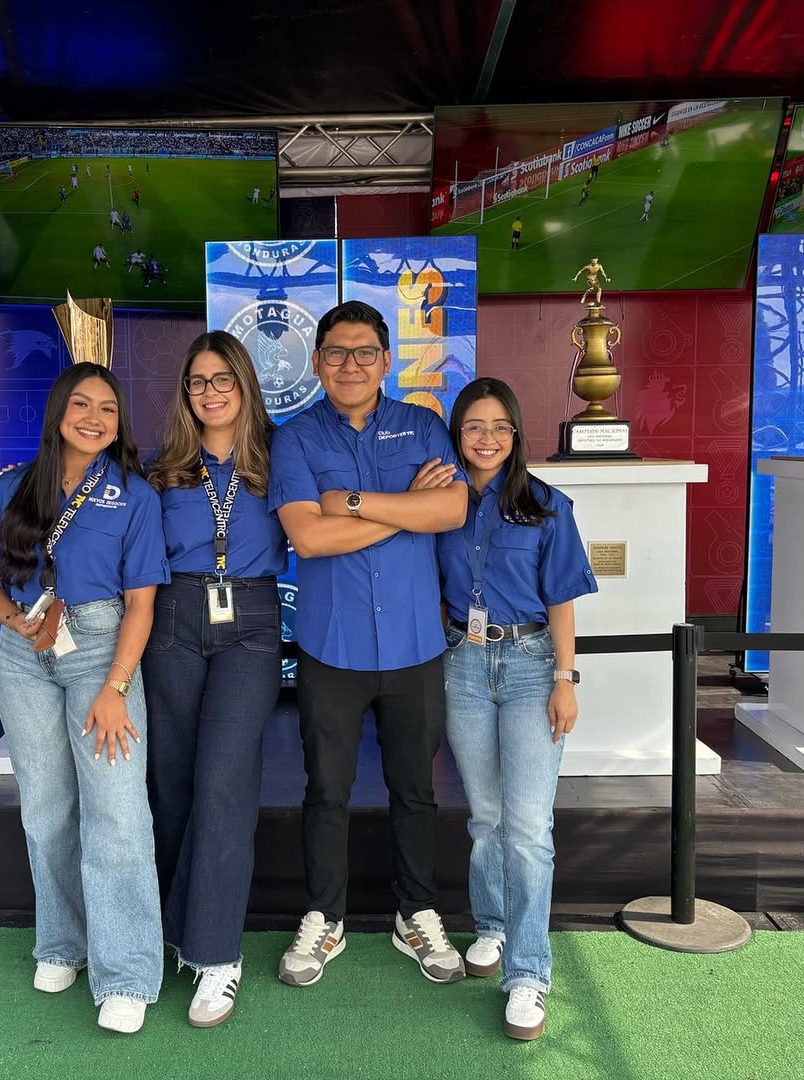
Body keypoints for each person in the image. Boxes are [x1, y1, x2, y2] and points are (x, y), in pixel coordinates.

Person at [0, 362, 169, 1035]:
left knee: (116, 811)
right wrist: (15, 622)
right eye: (81, 404)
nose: (95, 418)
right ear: (58, 413)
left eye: (108, 408)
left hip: (103, 651)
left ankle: (127, 972)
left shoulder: (134, 495)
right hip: (24, 653)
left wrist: (116, 687)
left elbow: (142, 604)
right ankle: (62, 943)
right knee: (46, 809)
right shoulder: (14, 487)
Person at [269, 301, 469, 989]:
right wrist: (404, 508)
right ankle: (325, 918)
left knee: (415, 790)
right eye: (336, 353)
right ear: (317, 362)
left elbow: (450, 508)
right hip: (332, 646)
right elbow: (308, 537)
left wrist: (351, 501)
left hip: (415, 644)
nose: (349, 365)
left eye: (363, 353)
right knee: (326, 791)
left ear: (386, 361)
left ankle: (417, 915)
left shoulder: (424, 425)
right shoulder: (295, 439)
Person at [437, 377, 597, 1042]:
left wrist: (565, 678)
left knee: (529, 828)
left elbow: (561, 598)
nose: (487, 438)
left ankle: (528, 972)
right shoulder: (440, 502)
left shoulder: (546, 505)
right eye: (474, 426)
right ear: (457, 433)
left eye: (500, 426)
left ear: (516, 433)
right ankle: (493, 925)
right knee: (487, 817)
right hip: (463, 664)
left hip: (532, 667)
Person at [144, 330, 287, 1028]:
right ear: (186, 392)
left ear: (245, 384)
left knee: (224, 780)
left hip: (252, 621)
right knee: (171, 781)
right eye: (198, 381)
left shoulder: (282, 458)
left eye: (222, 378)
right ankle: (174, 931)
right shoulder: (163, 468)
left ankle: (216, 953)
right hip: (173, 617)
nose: (210, 391)